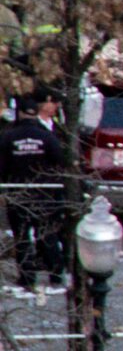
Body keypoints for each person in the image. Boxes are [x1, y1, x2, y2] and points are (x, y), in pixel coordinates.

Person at [1, 95, 67, 293]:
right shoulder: (47, 136)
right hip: (45, 193)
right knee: (47, 235)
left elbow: (1, 167)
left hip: (18, 194)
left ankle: (27, 278)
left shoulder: (7, 137)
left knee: (22, 237)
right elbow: (60, 162)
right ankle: (56, 275)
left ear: (19, 113)